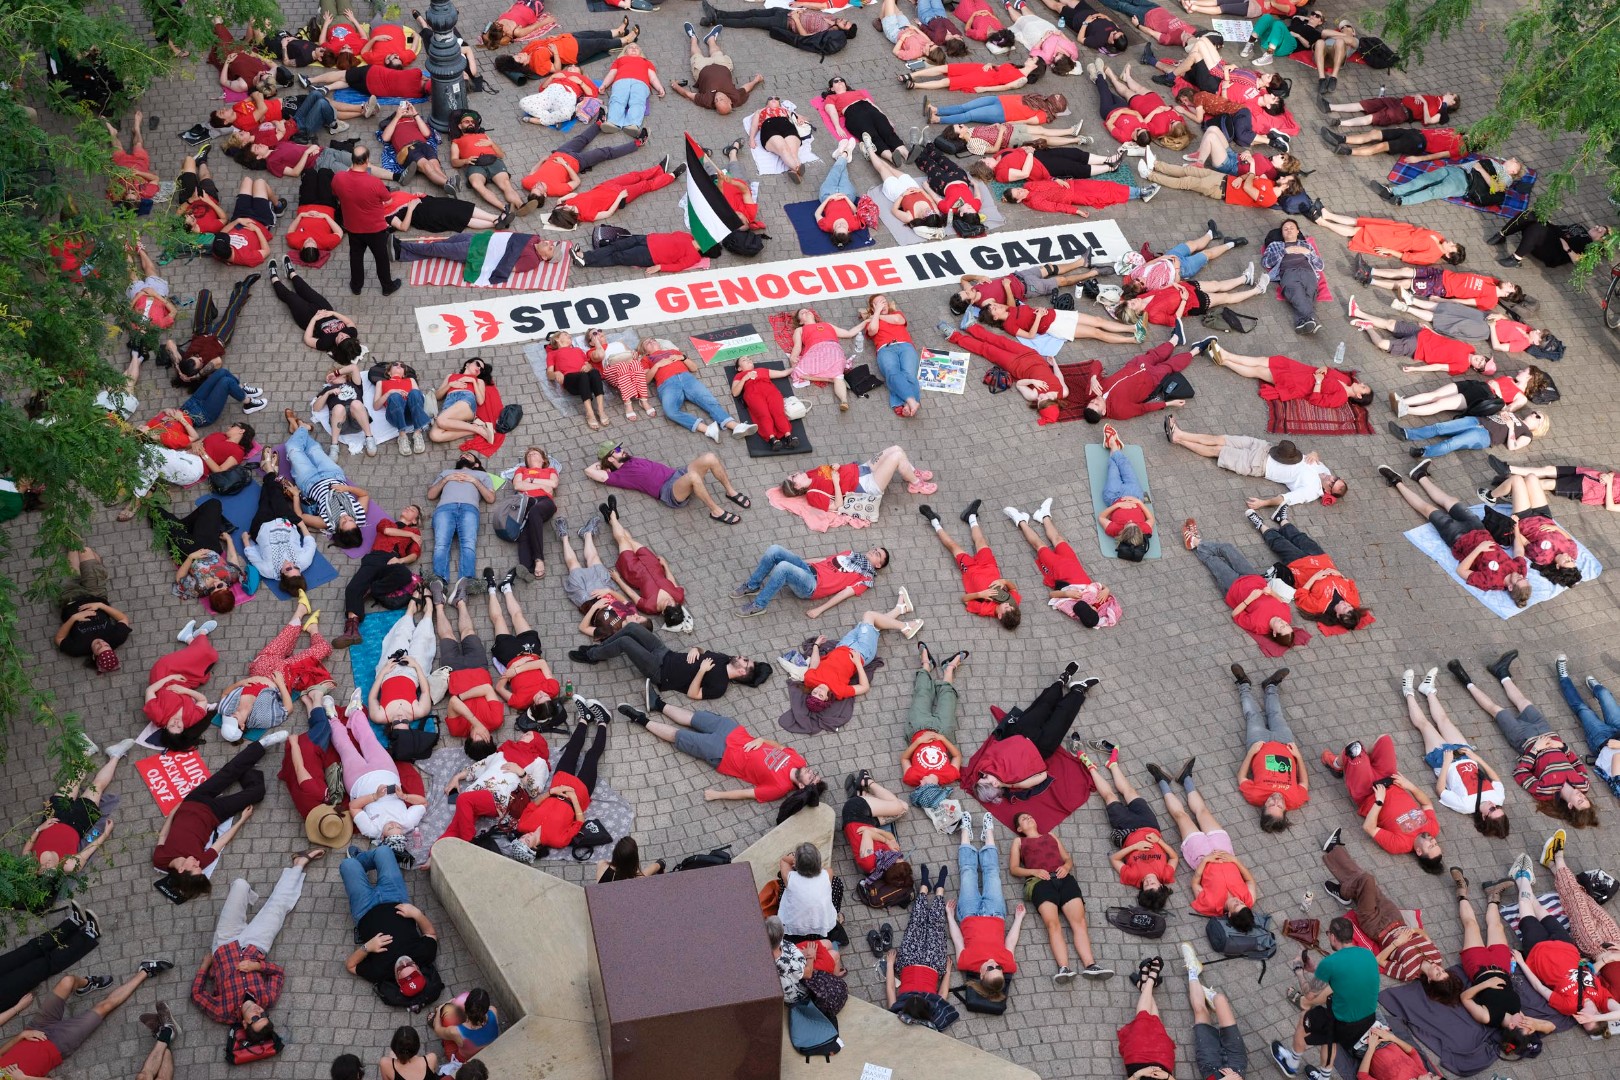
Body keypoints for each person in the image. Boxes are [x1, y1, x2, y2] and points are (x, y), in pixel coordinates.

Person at [1448, 652, 1596, 827]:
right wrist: (1561, 747)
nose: (1581, 795)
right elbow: (1576, 762)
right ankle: (1502, 672)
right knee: (1523, 701)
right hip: (1547, 733)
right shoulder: (1583, 783)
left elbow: (1520, 773)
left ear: (1570, 805)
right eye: (1585, 799)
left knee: (1496, 709)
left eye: (1579, 801)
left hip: (1523, 739)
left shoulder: (1545, 792)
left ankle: (1465, 680)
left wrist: (1535, 750)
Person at [192, 851, 321, 1038]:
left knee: (240, 885)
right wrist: (257, 966)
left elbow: (197, 994)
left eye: (255, 1018)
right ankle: (298, 865)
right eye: (263, 1015)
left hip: (224, 944)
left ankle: (248, 901)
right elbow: (279, 973)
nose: (258, 1011)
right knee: (278, 906)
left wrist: (205, 966)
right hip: (256, 943)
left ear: (244, 1024)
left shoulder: (223, 1011)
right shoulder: (267, 998)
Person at [617, 697, 821, 803]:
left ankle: (640, 719)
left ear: (803, 787)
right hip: (736, 733)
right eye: (815, 773)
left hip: (723, 754)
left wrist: (718, 795)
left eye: (812, 779)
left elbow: (746, 793)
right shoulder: (798, 761)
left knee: (679, 736)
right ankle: (658, 704)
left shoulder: (779, 788)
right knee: (694, 718)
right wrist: (761, 739)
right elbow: (780, 747)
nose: (811, 772)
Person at [153, 738, 285, 901]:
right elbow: (221, 842)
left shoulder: (160, 860)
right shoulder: (201, 861)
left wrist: (174, 811)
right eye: (198, 868)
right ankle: (246, 767)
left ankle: (259, 745)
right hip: (215, 813)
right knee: (257, 792)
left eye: (194, 867)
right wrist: (242, 820)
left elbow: (162, 836)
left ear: (181, 870)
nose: (197, 864)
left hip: (194, 800)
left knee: (227, 773)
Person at [1378, 466, 1530, 604]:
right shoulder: (1521, 570)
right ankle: (1420, 475)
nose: (1520, 576)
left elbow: (1461, 571)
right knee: (1451, 501)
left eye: (1519, 580)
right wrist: (1515, 528)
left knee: (1428, 510)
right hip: (1479, 529)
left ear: (1510, 587)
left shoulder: (1489, 582)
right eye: (1524, 578)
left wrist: (1479, 550)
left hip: (1459, 538)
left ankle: (1396, 481)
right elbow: (1519, 552)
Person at [1319, 841, 1454, 993]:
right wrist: (1413, 930)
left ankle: (1338, 868)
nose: (1439, 968)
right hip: (1394, 916)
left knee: (1367, 880)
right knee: (1366, 885)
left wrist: (1397, 943)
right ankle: (1342, 884)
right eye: (1443, 971)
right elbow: (1425, 936)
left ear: (1429, 980)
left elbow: (1379, 961)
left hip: (1376, 926)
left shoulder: (1408, 973)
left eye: (1437, 974)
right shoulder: (1436, 957)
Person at [0, 964, 175, 1079]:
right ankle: (145, 971)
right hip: (58, 1045)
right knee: (103, 1007)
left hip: (36, 1028)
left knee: (67, 981)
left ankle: (86, 984)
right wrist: (23, 1078)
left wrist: (22, 1035)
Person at [1509, 857, 1620, 1033]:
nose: (1582, 1018)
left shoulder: (1568, 1007)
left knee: (1524, 906)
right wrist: (1595, 1018)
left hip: (1539, 954)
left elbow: (1540, 987)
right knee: (1539, 908)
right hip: (1566, 946)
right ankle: (1524, 879)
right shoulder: (1602, 999)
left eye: (1583, 1023)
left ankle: (1521, 876)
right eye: (1588, 1019)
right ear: (1599, 1014)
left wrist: (1522, 962)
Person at [1397, 668, 1510, 835]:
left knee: (1425, 725)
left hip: (1443, 761)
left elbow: (1441, 790)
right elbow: (1495, 778)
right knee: (1444, 721)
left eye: (1493, 810)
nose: (1494, 805)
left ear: (1484, 817)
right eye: (1498, 808)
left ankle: (1408, 692)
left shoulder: (1466, 806)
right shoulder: (1498, 798)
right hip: (1466, 755)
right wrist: (1475, 757)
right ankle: (1428, 690)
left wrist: (1447, 763)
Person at [1151, 760, 1260, 925]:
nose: (1239, 901)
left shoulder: (1209, 905)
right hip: (1224, 849)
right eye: (1242, 903)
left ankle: (1162, 782)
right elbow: (1250, 881)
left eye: (1236, 905)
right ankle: (1186, 778)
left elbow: (1194, 882)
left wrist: (1206, 861)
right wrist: (1235, 861)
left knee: (1181, 816)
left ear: (1229, 915)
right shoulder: (1249, 900)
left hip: (1200, 854)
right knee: (1203, 811)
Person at [1451, 874, 1555, 1044]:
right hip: (1501, 965)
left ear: (1513, 1027)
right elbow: (1550, 1026)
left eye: (1525, 1025)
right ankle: (1493, 895)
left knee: (1471, 925)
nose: (1527, 1021)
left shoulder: (1488, 1017)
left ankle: (1461, 890)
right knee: (1496, 925)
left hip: (1478, 968)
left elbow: (1465, 997)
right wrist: (1535, 1025)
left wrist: (1486, 984)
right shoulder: (1517, 1014)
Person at [1272, 915, 1379, 1078]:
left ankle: (1291, 1064)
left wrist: (1299, 971)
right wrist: (1316, 971)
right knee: (1330, 1036)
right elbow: (1345, 977)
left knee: (1305, 1019)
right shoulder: (1367, 954)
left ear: (1333, 937)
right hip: (1367, 1020)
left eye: (1328, 933)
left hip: (1344, 1022)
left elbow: (1309, 995)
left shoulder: (1330, 963)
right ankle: (1324, 1076)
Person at [1009, 812, 1110, 982]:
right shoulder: (1019, 841)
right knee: (1052, 924)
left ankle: (1091, 965)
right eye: (1023, 819)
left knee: (1079, 922)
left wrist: (1067, 867)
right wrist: (1034, 871)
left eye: (1029, 816)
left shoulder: (1051, 836)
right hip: (1040, 883)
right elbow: (1014, 868)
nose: (1029, 818)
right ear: (1019, 828)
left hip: (1064, 879)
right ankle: (1064, 968)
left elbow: (1067, 858)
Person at [24, 740, 133, 893]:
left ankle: (86, 751)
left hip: (55, 814)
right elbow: (89, 849)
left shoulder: (32, 863)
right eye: (50, 869)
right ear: (57, 874)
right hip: (79, 821)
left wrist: (38, 829)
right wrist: (105, 834)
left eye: (42, 868)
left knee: (73, 781)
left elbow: (26, 850)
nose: (46, 864)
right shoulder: (69, 866)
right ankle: (115, 755)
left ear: (37, 872)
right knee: (98, 786)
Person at [1321, 734, 1444, 870]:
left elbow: (1369, 827)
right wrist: (1409, 786)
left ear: (1419, 852)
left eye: (1431, 845)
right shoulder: (1433, 829)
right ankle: (1364, 761)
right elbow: (1427, 804)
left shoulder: (1400, 845)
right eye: (1436, 844)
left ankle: (1336, 764)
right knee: (1384, 739)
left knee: (1354, 749)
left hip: (1369, 792)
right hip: (1390, 778)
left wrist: (1379, 801)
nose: (1433, 840)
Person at [341, 846, 441, 1007]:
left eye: (401, 969)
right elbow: (430, 934)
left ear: (397, 981)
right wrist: (417, 914)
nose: (404, 962)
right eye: (410, 965)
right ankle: (361, 859)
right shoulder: (425, 955)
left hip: (364, 909)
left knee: (347, 865)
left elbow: (350, 966)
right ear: (419, 969)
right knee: (383, 851)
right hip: (395, 896)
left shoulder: (380, 972)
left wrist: (367, 947)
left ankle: (357, 862)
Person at [571, 621, 765, 700]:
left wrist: (702, 670)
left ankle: (591, 656)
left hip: (660, 671)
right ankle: (599, 649)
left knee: (625, 643)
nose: (742, 657)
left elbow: (693, 694)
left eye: (745, 661)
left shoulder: (720, 686)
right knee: (632, 627)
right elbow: (702, 650)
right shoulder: (724, 659)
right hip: (665, 653)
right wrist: (695, 649)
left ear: (742, 672)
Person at [1183, 520, 1299, 650]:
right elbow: (1281, 601)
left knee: (1212, 560)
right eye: (1286, 624)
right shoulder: (1286, 616)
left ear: (1274, 633)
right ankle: (1195, 542)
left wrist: (1251, 598)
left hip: (1233, 588)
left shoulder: (1258, 626)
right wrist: (1271, 593)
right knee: (1227, 548)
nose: (1283, 622)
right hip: (1253, 578)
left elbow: (1236, 615)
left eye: (1282, 627)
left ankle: (1195, 542)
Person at [1169, 423, 1345, 509]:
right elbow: (1316, 456)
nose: (1330, 478)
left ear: (1328, 491)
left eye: (1331, 484)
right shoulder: (1325, 471)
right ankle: (1181, 433)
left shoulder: (1311, 491)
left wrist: (1263, 503)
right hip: (1265, 447)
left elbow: (1285, 499)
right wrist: (1314, 454)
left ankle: (1179, 440)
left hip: (1258, 465)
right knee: (1221, 438)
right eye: (1335, 478)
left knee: (1218, 451)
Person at [1004, 497, 1119, 627]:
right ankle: (1044, 515)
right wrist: (1106, 589)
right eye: (1092, 608)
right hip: (1074, 565)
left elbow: (1052, 595)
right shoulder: (1103, 606)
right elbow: (1101, 586)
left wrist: (1066, 593)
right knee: (1058, 539)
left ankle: (1020, 521)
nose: (1091, 606)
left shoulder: (1072, 608)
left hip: (1058, 570)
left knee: (1039, 545)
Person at [1086, 749, 1177, 910]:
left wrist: (1134, 847)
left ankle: (1091, 768)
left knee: (1110, 797)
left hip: (1126, 828)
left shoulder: (1132, 877)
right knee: (1130, 791)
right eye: (1153, 884)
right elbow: (1174, 857)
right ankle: (1113, 765)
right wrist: (1159, 841)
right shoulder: (1166, 875)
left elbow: (1114, 859)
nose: (1149, 881)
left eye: (1146, 885)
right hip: (1149, 825)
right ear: (1161, 886)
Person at [948, 815, 1025, 1002]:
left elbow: (957, 939)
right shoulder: (1008, 964)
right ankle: (988, 833)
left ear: (981, 975)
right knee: (992, 872)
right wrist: (1019, 919)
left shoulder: (965, 963)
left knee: (967, 871)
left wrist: (950, 916)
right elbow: (1011, 942)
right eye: (999, 969)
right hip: (995, 912)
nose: (995, 965)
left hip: (969, 913)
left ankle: (965, 832)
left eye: (991, 969)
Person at [1248, 514, 1371, 632]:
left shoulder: (1319, 607)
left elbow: (1300, 596)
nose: (1345, 604)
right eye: (1349, 606)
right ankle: (1281, 519)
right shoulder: (1354, 601)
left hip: (1301, 567)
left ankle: (1260, 525)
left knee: (1280, 544)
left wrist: (1315, 578)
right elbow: (1350, 583)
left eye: (1344, 608)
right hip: (1322, 560)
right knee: (1300, 538)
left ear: (1338, 615)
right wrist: (1339, 574)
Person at [585, 442, 751, 525]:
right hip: (669, 491)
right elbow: (589, 471)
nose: (623, 450)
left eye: (620, 447)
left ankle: (731, 492)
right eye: (618, 450)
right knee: (693, 476)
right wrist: (602, 464)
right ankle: (716, 511)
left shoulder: (631, 459)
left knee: (710, 457)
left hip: (676, 474)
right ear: (611, 458)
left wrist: (609, 460)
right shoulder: (619, 476)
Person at [803, 601, 925, 709]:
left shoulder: (810, 679)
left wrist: (816, 645)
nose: (819, 691)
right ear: (826, 699)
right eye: (820, 695)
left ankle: (900, 609)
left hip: (843, 645)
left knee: (872, 624)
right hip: (862, 652)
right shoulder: (839, 691)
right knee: (869, 616)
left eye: (815, 693)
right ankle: (905, 627)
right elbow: (864, 687)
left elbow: (814, 664)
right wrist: (857, 663)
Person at [919, 500, 1021, 629]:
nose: (1008, 605)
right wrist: (1004, 581)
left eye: (1006, 608)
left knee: (953, 546)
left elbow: (965, 599)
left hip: (970, 570)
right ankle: (971, 516)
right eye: (1011, 606)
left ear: (1000, 616)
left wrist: (980, 595)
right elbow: (1013, 589)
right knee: (981, 541)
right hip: (989, 566)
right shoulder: (1014, 602)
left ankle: (934, 521)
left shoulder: (984, 610)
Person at [332, 506, 422, 648]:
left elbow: (414, 554)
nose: (407, 508)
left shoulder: (416, 532)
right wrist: (410, 535)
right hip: (375, 557)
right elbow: (387, 531)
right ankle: (351, 631)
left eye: (412, 510)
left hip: (393, 560)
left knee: (404, 574)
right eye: (408, 507)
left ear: (415, 521)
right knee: (352, 588)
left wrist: (400, 560)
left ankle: (372, 589)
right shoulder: (386, 522)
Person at [1229, 664, 1305, 832]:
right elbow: (1304, 783)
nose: (1276, 799)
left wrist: (1251, 752)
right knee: (1276, 715)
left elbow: (1241, 777)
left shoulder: (1254, 797)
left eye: (1271, 804)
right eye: (1279, 805)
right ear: (1285, 810)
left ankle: (1243, 684)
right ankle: (1270, 686)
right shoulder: (1295, 800)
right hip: (1285, 744)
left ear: (1263, 806)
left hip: (1259, 743)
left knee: (1252, 715)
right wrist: (1298, 756)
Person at [277, 419, 370, 548]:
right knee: (314, 449)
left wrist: (296, 496)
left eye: (343, 523)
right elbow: (365, 495)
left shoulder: (327, 523)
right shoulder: (359, 514)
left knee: (293, 449)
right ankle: (301, 429)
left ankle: (302, 428)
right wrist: (346, 488)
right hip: (334, 475)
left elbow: (300, 516)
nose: (346, 518)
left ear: (339, 530)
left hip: (309, 482)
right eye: (350, 520)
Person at [1476, 474, 1581, 587]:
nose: (1568, 558)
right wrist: (1556, 528)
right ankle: (1513, 495)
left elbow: (1524, 542)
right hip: (1544, 516)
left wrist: (1515, 526)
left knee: (1516, 480)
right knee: (1531, 478)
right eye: (1572, 561)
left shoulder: (1542, 557)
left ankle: (1490, 496)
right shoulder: (1573, 552)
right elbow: (1569, 538)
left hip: (1525, 520)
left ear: (1558, 566)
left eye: (1566, 561)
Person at [638, 343, 755, 442]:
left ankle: (735, 426)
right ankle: (708, 429)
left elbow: (694, 368)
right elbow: (646, 380)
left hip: (686, 377)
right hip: (667, 383)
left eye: (653, 339)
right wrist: (658, 365)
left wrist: (682, 358)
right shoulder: (646, 359)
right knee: (670, 411)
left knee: (709, 401)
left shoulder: (673, 351)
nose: (651, 341)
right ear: (645, 351)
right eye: (647, 342)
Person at [735, 544, 887, 619]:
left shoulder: (866, 577)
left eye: (878, 554)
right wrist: (799, 563)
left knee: (783, 567)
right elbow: (825, 560)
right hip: (808, 570)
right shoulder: (850, 554)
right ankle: (752, 585)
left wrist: (820, 609)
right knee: (774, 550)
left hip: (812, 586)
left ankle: (759, 605)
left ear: (878, 565)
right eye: (875, 549)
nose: (874, 550)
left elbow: (845, 593)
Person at [781, 446, 937, 515]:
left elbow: (828, 470)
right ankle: (916, 484)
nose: (795, 473)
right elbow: (837, 506)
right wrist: (836, 482)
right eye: (793, 477)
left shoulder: (809, 473)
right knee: (896, 458)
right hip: (865, 485)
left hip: (862, 469)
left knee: (896, 449)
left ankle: (912, 474)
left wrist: (834, 466)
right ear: (797, 486)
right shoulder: (812, 495)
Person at [330, 145, 400, 296]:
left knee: (355, 256)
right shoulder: (374, 182)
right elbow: (387, 201)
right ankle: (387, 286)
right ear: (367, 161)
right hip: (375, 228)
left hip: (353, 227)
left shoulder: (339, 178)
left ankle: (356, 286)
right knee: (381, 258)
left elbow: (336, 193)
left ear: (352, 160)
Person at [881, 876, 954, 1023]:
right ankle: (939, 892)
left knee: (915, 924)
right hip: (933, 965)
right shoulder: (934, 1007)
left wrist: (890, 964)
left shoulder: (897, 1009)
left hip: (909, 962)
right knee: (936, 928)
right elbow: (942, 993)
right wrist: (947, 972)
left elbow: (890, 988)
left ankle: (924, 889)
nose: (915, 995)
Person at [1208, 345, 1372, 409]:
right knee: (1264, 361)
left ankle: (1225, 360)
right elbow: (1327, 368)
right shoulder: (1347, 380)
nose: (1361, 383)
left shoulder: (1341, 398)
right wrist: (1322, 371)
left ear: (1359, 395)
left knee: (1259, 370)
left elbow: (1316, 400)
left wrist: (1318, 382)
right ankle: (1227, 355)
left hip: (1299, 384)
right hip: (1301, 370)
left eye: (1363, 387)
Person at [1078, 342, 1204, 424]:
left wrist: (1093, 378)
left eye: (1092, 402)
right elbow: (1143, 409)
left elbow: (1096, 363)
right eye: (1097, 404)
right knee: (1168, 366)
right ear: (1104, 412)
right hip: (1149, 380)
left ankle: (1175, 339)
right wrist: (1169, 404)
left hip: (1134, 366)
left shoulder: (1091, 392)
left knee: (1153, 355)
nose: (1095, 400)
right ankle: (1195, 351)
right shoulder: (1120, 411)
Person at [543, 158, 682, 230]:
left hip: (608, 186)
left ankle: (659, 169)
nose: (563, 206)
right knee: (645, 186)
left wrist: (561, 199)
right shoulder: (586, 216)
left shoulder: (568, 204)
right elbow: (608, 213)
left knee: (635, 176)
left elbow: (573, 196)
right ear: (566, 215)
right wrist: (620, 197)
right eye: (563, 209)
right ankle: (671, 176)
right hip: (618, 196)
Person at [267, 256, 363, 361]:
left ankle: (273, 277)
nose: (342, 334)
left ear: (338, 345)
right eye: (345, 336)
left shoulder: (326, 343)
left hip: (308, 318)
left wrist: (315, 319)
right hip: (326, 310)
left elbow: (307, 339)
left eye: (341, 339)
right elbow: (349, 323)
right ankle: (290, 272)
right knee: (306, 290)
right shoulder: (352, 334)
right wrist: (332, 313)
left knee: (291, 297)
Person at [902, 645, 966, 786]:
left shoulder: (912, 778)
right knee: (948, 699)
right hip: (943, 732)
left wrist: (918, 742)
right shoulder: (949, 776)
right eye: (924, 785)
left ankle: (926, 665)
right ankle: (949, 669)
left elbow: (904, 759)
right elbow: (956, 756)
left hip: (918, 728)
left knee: (921, 694)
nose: (921, 782)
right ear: (934, 786)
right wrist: (942, 738)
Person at [428, 452, 495, 586]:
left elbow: (490, 498)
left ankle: (466, 582)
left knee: (469, 544)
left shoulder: (482, 475)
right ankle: (438, 582)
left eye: (468, 455)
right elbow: (431, 495)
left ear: (476, 464)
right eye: (462, 455)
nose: (463, 455)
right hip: (445, 508)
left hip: (469, 508)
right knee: (441, 545)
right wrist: (446, 479)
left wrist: (474, 481)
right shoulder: (447, 472)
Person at [1554, 653, 1620, 789]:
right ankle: (1597, 688)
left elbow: (1616, 759)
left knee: (1583, 709)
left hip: (1603, 741)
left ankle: (1563, 677)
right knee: (1605, 696)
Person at [858, 295, 927, 417]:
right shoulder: (871, 320)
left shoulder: (896, 313)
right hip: (885, 349)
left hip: (905, 345)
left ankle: (903, 404)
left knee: (909, 374)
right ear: (873, 307)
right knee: (892, 372)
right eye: (878, 303)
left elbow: (897, 320)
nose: (882, 304)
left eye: (884, 302)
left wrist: (878, 314)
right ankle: (911, 402)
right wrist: (877, 313)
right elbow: (873, 330)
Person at [1314, 211, 1465, 266]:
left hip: (1393, 241)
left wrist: (1389, 251)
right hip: (1397, 230)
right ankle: (1328, 215)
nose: (1451, 242)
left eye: (1452, 246)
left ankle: (1324, 222)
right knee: (1361, 222)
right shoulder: (1439, 237)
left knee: (1357, 231)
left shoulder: (1432, 256)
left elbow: (1409, 257)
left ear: (1447, 254)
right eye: (1454, 243)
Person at [1391, 368, 1550, 420]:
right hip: (1475, 385)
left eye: (1524, 371)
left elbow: (1505, 411)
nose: (1520, 371)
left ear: (1530, 378)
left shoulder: (1521, 398)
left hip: (1483, 395)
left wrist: (1498, 390)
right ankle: (1403, 401)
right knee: (1436, 394)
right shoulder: (1509, 378)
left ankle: (1406, 410)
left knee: (1441, 404)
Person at [1111, 956, 1176, 1080]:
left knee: (1143, 1019)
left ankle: (1149, 981)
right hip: (1162, 1061)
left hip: (1136, 1059)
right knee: (1155, 1024)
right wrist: (1167, 1077)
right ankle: (1145, 983)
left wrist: (1138, 1074)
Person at [671, 23, 760, 114]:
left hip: (702, 70)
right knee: (717, 52)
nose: (717, 97)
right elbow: (746, 88)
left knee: (696, 55)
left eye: (716, 101)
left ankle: (693, 38)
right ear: (730, 101)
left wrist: (675, 85)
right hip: (723, 67)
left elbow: (687, 94)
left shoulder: (707, 101)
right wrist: (756, 81)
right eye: (721, 99)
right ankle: (710, 39)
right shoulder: (736, 97)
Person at [1489, 211, 1609, 270]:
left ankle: (1516, 259)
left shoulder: (1590, 246)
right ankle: (1502, 235)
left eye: (1600, 231)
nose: (1597, 228)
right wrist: (1549, 223)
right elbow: (1560, 230)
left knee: (1538, 228)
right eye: (1598, 226)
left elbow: (1580, 263)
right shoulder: (1580, 227)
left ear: (1600, 240)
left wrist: (1567, 248)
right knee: (1531, 214)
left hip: (1552, 251)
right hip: (1550, 236)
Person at [1496, 460, 1620, 513]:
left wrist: (1609, 484)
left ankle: (1510, 485)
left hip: (1587, 489)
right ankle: (1508, 469)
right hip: (1586, 473)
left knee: (1547, 484)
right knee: (1548, 469)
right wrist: (1609, 475)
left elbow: (1610, 506)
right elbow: (1614, 473)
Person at [728, 358, 796, 450]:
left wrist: (794, 367)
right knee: (764, 415)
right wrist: (745, 378)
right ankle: (772, 439)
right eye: (744, 360)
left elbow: (783, 373)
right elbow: (735, 392)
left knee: (778, 412)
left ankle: (788, 436)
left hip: (770, 391)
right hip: (753, 394)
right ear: (739, 368)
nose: (748, 360)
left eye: (749, 358)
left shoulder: (762, 370)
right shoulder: (739, 375)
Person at [572, 229, 710, 274]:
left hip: (649, 255)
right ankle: (584, 257)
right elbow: (670, 235)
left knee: (617, 257)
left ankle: (585, 260)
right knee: (616, 246)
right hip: (647, 239)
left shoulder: (694, 257)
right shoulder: (689, 236)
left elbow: (679, 266)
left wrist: (661, 267)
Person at [429, 357, 497, 446]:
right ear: (467, 364)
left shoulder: (479, 381)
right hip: (449, 404)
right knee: (434, 435)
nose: (479, 368)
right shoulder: (450, 376)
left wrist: (473, 381)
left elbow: (480, 401)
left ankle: (478, 429)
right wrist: (450, 385)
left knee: (441, 420)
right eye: (477, 364)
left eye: (481, 369)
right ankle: (475, 428)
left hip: (466, 399)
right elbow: (437, 396)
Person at [374, 362, 432, 456]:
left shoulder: (411, 380)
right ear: (389, 372)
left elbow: (419, 399)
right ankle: (402, 436)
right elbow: (376, 406)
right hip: (394, 415)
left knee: (415, 393)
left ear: (404, 373)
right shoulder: (381, 383)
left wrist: (409, 396)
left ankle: (417, 433)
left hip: (411, 414)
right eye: (395, 364)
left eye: (402, 366)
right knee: (395, 396)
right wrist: (390, 392)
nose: (399, 366)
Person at [1322, 91, 1459, 128]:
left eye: (1451, 94)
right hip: (1397, 101)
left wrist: (1423, 102)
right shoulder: (1436, 98)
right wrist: (1417, 96)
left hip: (1402, 113)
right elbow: (1417, 98)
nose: (1448, 92)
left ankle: (1340, 123)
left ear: (1453, 102)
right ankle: (1330, 106)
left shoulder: (1441, 112)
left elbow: (1428, 120)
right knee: (1365, 104)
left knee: (1372, 118)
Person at [596, 836, 664, 883]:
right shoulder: (634, 880)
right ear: (633, 862)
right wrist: (660, 863)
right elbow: (648, 872)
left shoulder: (602, 864)